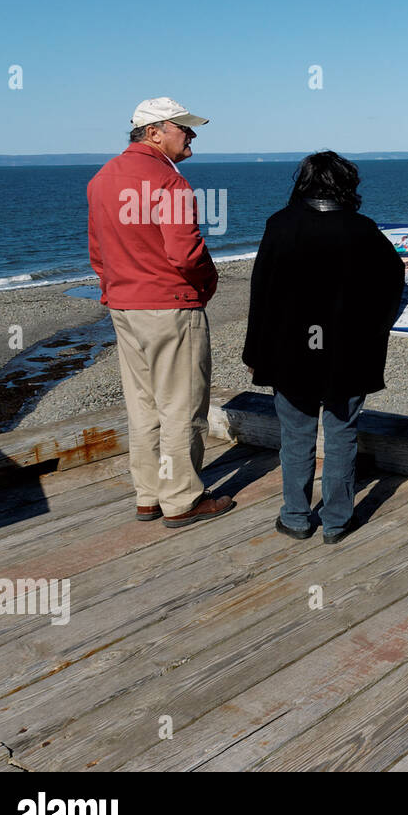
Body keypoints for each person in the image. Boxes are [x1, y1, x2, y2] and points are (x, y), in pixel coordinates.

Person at [242, 152, 405, 544]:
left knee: (295, 436)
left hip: (289, 353)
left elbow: (260, 292)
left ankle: (296, 517)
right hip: (347, 354)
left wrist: (254, 354)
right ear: (347, 183)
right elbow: (391, 283)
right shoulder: (363, 229)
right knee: (341, 435)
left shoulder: (279, 225)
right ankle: (336, 521)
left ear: (304, 181)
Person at [87, 97, 235, 528]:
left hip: (124, 305)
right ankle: (183, 499)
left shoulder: (101, 179)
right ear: (154, 133)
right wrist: (208, 281)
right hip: (169, 305)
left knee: (143, 404)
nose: (192, 135)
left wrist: (113, 289)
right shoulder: (170, 182)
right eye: (183, 129)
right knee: (182, 405)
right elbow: (185, 254)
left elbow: (98, 251)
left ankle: (148, 495)